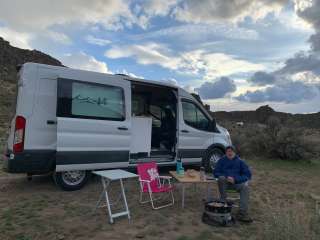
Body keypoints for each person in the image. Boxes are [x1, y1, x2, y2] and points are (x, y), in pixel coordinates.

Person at [213, 145, 253, 223]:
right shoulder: (221, 160)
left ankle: (242, 213)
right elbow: (215, 172)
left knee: (245, 188)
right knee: (221, 178)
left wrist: (235, 179)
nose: (230, 153)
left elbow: (248, 175)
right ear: (226, 153)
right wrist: (226, 177)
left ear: (234, 152)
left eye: (231, 151)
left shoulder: (240, 162)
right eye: (228, 151)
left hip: (236, 184)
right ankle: (223, 203)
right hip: (224, 183)